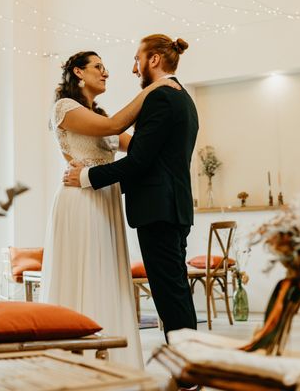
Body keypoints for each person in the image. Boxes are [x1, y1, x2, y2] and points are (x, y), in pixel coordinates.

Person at [40, 50, 180, 369]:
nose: (105, 73)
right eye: (98, 67)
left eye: (105, 68)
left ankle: (112, 360)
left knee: (107, 275)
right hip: (79, 200)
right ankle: (78, 361)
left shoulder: (98, 114)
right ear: (78, 72)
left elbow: (140, 148)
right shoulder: (65, 108)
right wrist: (153, 88)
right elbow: (116, 125)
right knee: (84, 272)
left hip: (106, 199)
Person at [64, 34, 199, 343]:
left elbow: (139, 162)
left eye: (137, 59)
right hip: (171, 207)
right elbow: (149, 159)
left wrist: (87, 177)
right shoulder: (183, 97)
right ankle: (190, 361)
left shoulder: (161, 97)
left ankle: (188, 367)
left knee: (170, 295)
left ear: (153, 60)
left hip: (159, 209)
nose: (134, 69)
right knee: (175, 291)